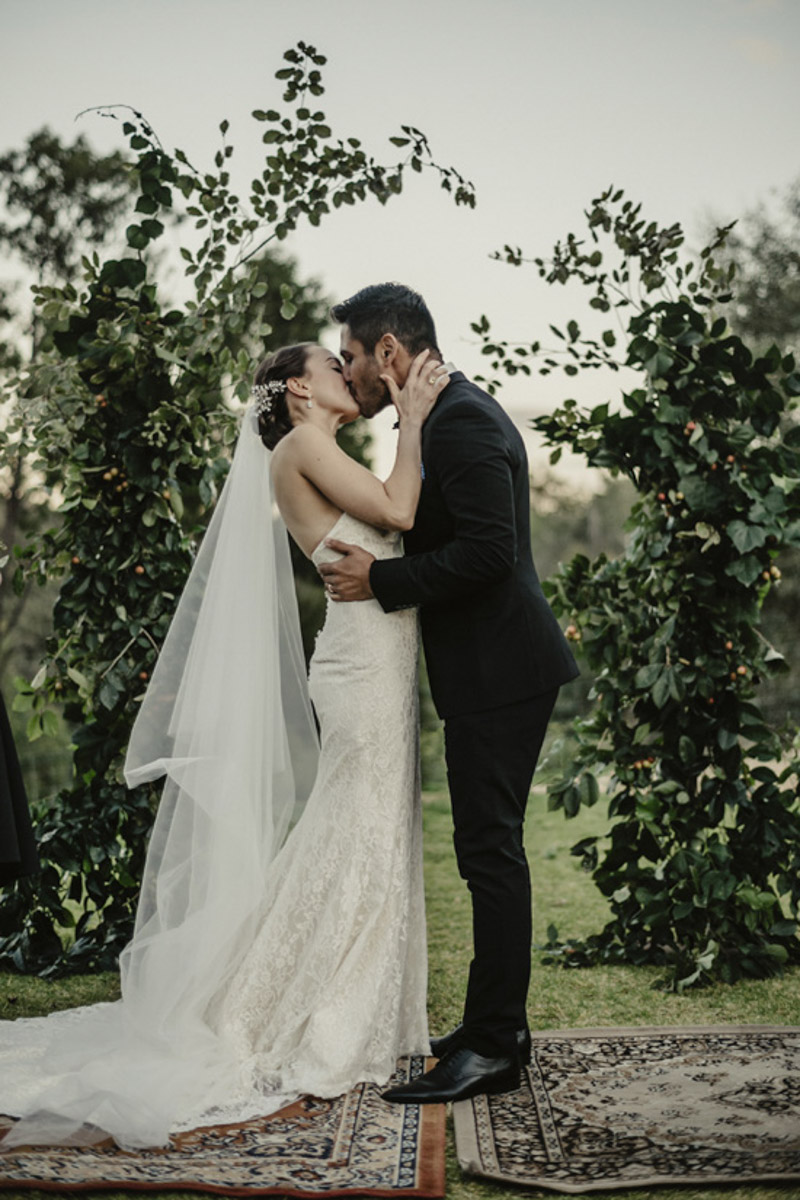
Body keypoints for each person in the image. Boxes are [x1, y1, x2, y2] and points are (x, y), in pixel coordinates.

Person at [0, 342, 449, 1151]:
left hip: (374, 657)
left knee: (371, 826)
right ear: (299, 391)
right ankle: (296, 1010)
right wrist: (410, 421)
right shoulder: (304, 444)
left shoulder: (312, 449)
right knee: (358, 825)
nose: (346, 376)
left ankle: (339, 1002)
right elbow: (400, 513)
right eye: (330, 365)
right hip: (359, 662)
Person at [319, 283, 580, 1105]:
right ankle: (488, 1025)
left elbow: (491, 553)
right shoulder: (445, 415)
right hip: (492, 671)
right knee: (484, 852)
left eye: (355, 356)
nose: (351, 371)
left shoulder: (461, 421)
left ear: (389, 354)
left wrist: (383, 579)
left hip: (504, 673)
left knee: (489, 853)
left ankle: (496, 1046)